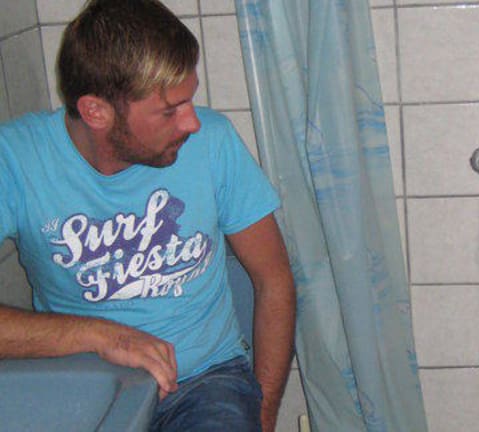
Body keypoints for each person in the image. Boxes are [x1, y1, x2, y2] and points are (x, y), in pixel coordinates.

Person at [0, 0, 296, 431]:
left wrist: (263, 415)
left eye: (189, 101)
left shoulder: (213, 144)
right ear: (96, 112)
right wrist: (101, 336)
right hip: (82, 384)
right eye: (170, 110)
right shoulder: (16, 159)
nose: (193, 123)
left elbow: (274, 279)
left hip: (204, 384)